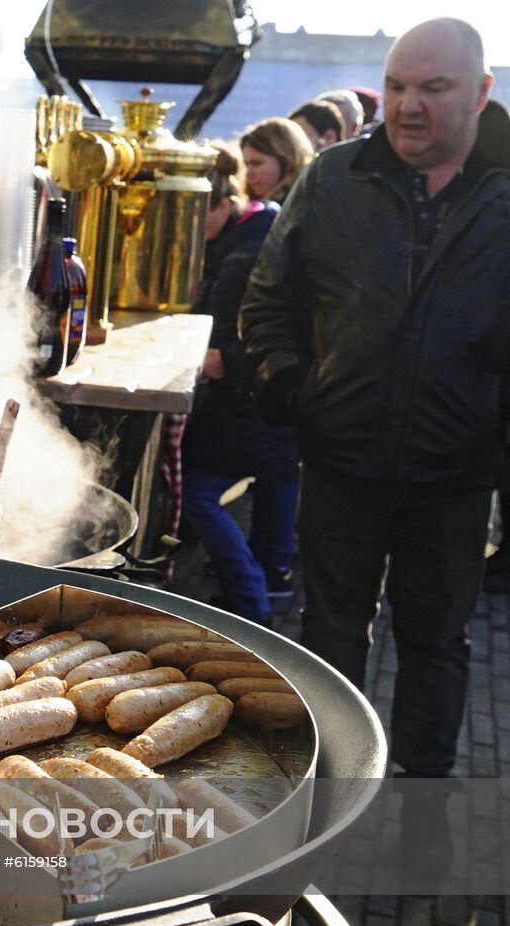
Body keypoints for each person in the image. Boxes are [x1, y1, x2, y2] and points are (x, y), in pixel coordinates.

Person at [241, 18, 506, 778]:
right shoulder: (333, 179)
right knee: (328, 637)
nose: (408, 105)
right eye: (395, 87)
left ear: (482, 93)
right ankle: (324, 796)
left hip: (456, 476)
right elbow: (267, 305)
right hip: (342, 459)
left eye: (433, 88)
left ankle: (420, 821)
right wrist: (295, 391)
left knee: (435, 645)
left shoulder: (505, 196)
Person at [180, 143, 297, 625]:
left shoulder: (254, 249)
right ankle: (263, 583)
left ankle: (249, 600)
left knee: (194, 491)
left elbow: (286, 327)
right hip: (257, 408)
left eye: (194, 217)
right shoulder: (244, 237)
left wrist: (226, 359)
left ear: (223, 206)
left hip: (252, 405)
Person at [238, 117, 314, 203]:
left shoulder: (304, 205)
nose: (249, 174)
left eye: (256, 163)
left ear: (288, 161)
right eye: (246, 165)